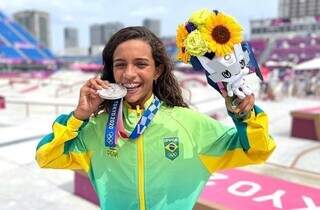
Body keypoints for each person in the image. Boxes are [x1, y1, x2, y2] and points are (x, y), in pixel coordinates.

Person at [35, 26, 276, 210]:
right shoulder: (96, 128)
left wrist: (245, 116)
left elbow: (257, 150)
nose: (129, 74)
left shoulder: (190, 124)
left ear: (157, 70)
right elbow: (46, 157)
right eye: (120, 65)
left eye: (141, 64)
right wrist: (79, 117)